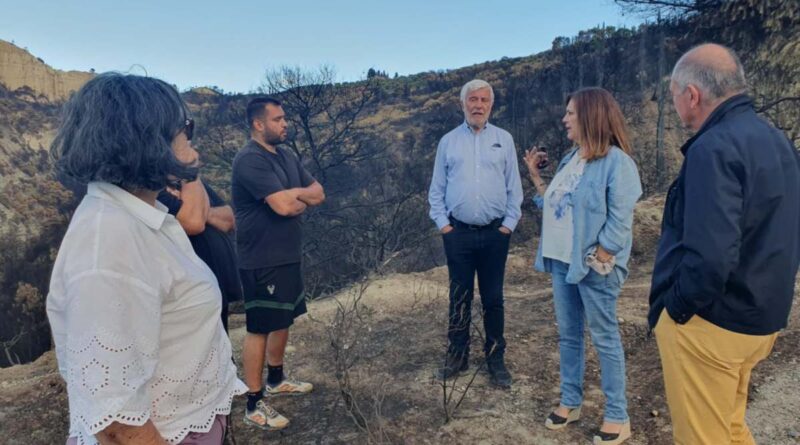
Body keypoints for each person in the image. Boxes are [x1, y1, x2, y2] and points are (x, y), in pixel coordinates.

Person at [47, 73, 247, 445]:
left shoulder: (141, 215)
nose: (192, 139)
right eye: (186, 128)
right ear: (147, 140)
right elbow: (117, 422)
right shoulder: (109, 242)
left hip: (189, 423)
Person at [649, 43, 800, 445]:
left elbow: (711, 255)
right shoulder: (777, 140)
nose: (677, 106)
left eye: (674, 96)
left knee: (703, 438)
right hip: (760, 319)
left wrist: (676, 309)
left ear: (692, 95)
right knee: (730, 429)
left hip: (711, 326)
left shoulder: (712, 148)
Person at [526, 87, 641, 445]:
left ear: (591, 116)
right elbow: (555, 206)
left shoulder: (617, 163)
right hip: (562, 261)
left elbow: (621, 221)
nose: (565, 119)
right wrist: (535, 177)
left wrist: (601, 258)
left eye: (571, 113)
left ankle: (618, 417)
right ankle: (570, 401)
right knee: (569, 334)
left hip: (593, 266)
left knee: (604, 337)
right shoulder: (570, 159)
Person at [232, 97, 325, 429]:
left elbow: (318, 192)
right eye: (278, 119)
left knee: (283, 318)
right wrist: (296, 200)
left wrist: (293, 195)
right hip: (261, 258)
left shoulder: (285, 155)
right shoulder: (249, 160)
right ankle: (254, 404)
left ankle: (276, 379)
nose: (286, 123)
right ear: (259, 124)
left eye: (284, 118)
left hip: (287, 253)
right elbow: (285, 208)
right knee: (259, 327)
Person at [428, 79, 523, 388]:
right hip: (459, 234)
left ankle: (496, 359)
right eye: (473, 99)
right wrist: (445, 226)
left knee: (494, 298)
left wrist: (508, 226)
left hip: (496, 233)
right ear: (463, 104)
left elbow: (514, 188)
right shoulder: (448, 142)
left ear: (491, 105)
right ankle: (457, 356)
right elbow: (436, 191)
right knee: (459, 297)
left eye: (484, 100)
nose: (478, 105)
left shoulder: (504, 139)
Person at [157, 175, 242, 332]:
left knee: (222, 347)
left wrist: (199, 209)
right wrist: (198, 210)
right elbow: (193, 222)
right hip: (190, 291)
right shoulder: (154, 186)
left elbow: (229, 218)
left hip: (217, 284)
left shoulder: (190, 182)